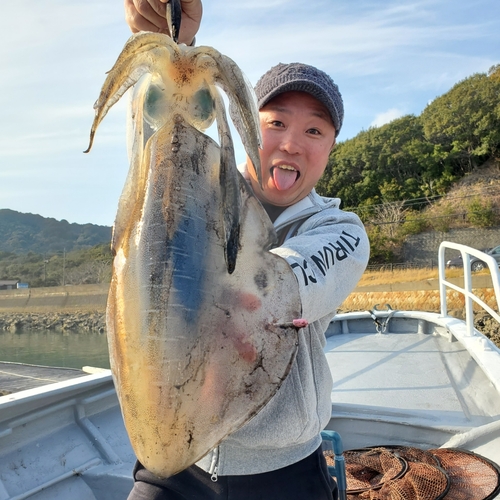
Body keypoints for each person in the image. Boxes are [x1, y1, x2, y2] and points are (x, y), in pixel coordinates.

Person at [123, 1, 370, 498]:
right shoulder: (201, 196)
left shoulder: (343, 232)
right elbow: (159, 164)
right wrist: (176, 61)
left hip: (283, 471)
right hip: (175, 462)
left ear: (329, 148)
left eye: (314, 131)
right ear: (242, 124)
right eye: (275, 122)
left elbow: (277, 288)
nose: (291, 144)